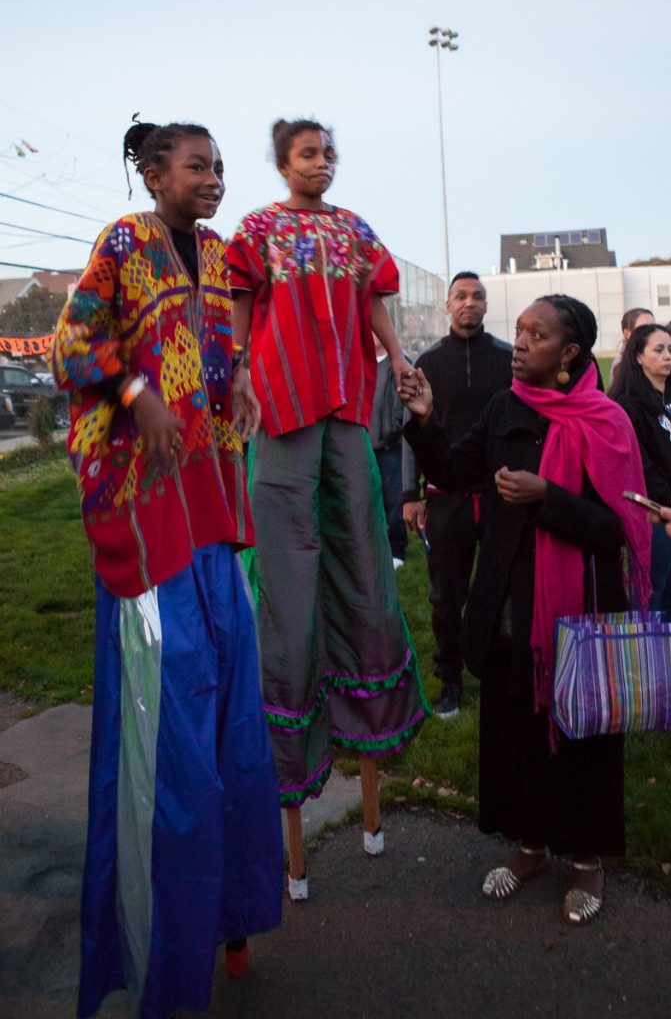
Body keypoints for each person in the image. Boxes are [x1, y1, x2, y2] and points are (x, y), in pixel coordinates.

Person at [51, 118, 283, 1019]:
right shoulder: (121, 243)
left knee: (233, 736)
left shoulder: (221, 257)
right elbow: (75, 348)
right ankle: (157, 967)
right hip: (148, 532)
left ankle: (229, 920)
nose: (215, 179)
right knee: (170, 755)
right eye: (196, 166)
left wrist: (244, 384)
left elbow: (217, 356)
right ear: (153, 177)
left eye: (221, 167)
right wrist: (137, 391)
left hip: (215, 517)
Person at [400, 294, 651, 925]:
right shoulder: (504, 406)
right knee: (515, 730)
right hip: (511, 602)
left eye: (535, 335)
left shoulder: (607, 421)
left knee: (583, 732)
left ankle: (587, 857)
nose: (518, 342)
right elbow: (456, 472)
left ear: (569, 354)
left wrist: (549, 497)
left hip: (583, 610)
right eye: (517, 331)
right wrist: (427, 421)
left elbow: (615, 529)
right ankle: (532, 844)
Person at [227, 118, 429, 897]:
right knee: (286, 583)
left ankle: (369, 748)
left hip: (345, 408)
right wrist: (239, 366)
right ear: (282, 163)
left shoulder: (354, 232)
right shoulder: (257, 229)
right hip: (279, 411)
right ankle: (288, 769)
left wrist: (398, 353)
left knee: (364, 569)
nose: (323, 164)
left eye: (329, 153)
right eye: (309, 153)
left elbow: (378, 306)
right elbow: (240, 304)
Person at [402, 271, 513, 717]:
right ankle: (449, 678)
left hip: (500, 494)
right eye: (461, 296)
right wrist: (412, 493)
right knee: (446, 596)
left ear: (486, 306)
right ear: (446, 306)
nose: (470, 302)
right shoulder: (426, 361)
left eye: (478, 296)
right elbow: (411, 429)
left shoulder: (508, 358)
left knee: (502, 587)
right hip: (446, 497)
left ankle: (497, 669)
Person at [610, 323, 671, 619]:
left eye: (670, 350)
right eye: (658, 350)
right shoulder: (628, 405)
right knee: (654, 589)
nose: (668, 356)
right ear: (638, 356)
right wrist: (670, 500)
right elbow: (640, 465)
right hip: (655, 514)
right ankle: (649, 659)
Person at [369, 334, 409, 567]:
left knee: (394, 500)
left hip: (390, 445)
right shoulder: (360, 362)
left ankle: (397, 550)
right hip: (365, 442)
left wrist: (395, 430)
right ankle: (372, 545)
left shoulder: (399, 364)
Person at [608, 307, 655, 385]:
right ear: (627, 333)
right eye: (644, 328)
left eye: (653, 327)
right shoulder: (622, 364)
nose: (651, 332)